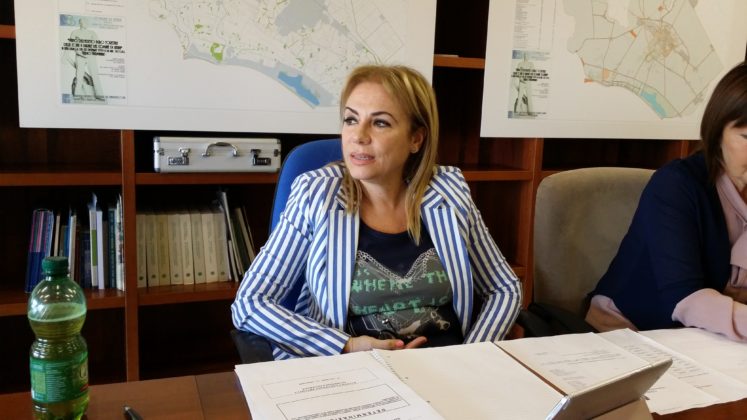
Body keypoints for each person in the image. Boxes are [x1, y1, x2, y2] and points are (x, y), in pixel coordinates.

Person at [231, 64, 522, 359]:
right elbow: (250, 303)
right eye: (351, 119)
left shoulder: (448, 191)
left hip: (448, 366)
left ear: (416, 139)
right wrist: (345, 345)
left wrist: (472, 354)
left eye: (380, 123)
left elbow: (504, 288)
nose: (358, 136)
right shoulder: (316, 194)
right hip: (354, 369)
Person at [586, 61, 747, 341]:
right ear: (717, 131)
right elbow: (686, 299)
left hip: (712, 338)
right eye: (746, 136)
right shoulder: (676, 185)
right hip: (629, 333)